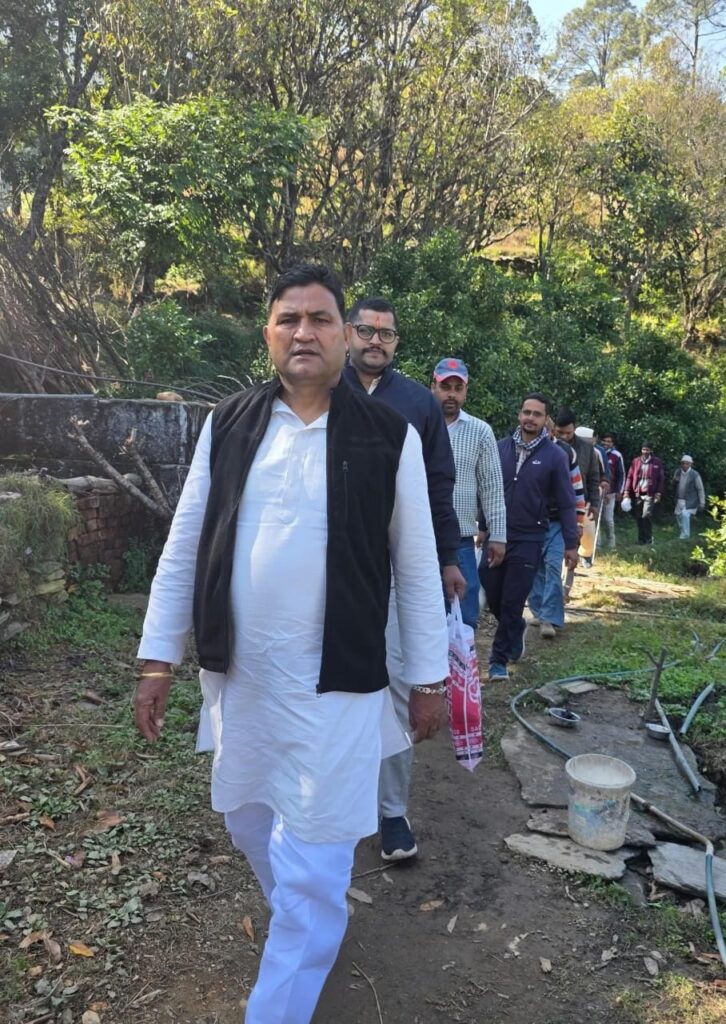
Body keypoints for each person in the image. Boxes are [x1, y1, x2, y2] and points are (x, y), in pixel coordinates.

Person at [133, 264, 449, 1024]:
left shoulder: (390, 435)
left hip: (338, 683)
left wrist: (429, 677)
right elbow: (185, 545)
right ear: (268, 333)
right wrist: (157, 658)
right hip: (243, 676)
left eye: (320, 319)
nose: (304, 332)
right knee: (248, 817)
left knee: (315, 848)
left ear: (345, 335)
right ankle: (307, 917)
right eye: (288, 319)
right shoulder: (230, 424)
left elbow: (415, 563)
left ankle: (286, 979)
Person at [342, 296, 465, 862]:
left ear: (396, 343)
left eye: (386, 334)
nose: (375, 341)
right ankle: (335, 802)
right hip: (327, 570)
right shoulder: (321, 391)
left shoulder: (417, 404)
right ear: (347, 334)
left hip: (394, 570)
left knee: (396, 688)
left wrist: (448, 558)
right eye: (366, 330)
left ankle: (391, 812)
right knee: (328, 689)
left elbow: (438, 487)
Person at [480, 393, 579, 681]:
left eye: (537, 414)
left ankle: (498, 661)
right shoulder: (500, 448)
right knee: (491, 590)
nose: (530, 418)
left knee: (512, 600)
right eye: (526, 412)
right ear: (519, 414)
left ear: (546, 420)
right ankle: (515, 628)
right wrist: (483, 525)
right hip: (497, 535)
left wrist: (571, 544)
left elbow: (567, 502)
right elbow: (488, 488)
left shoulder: (555, 456)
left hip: (530, 536)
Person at [429, 357, 506, 629]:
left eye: (457, 388)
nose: (451, 394)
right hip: (418, 536)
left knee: (464, 614)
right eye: (445, 386)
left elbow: (492, 487)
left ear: (466, 390)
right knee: (420, 612)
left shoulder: (480, 432)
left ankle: (461, 657)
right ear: (433, 386)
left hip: (460, 539)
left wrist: (498, 536)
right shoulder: (415, 424)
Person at [529, 417, 586, 639]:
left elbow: (577, 489)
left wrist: (578, 521)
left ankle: (549, 618)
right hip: (531, 521)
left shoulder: (566, 453)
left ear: (552, 431)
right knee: (534, 567)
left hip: (558, 521)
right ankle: (538, 610)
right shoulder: (525, 450)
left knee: (553, 566)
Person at [624, 442, 664, 546]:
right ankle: (641, 539)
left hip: (650, 493)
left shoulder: (657, 462)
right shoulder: (636, 461)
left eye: (647, 450)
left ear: (651, 451)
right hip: (638, 493)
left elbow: (660, 479)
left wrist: (658, 493)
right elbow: (629, 477)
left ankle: (649, 539)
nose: (645, 452)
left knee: (646, 515)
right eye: (643, 449)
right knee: (639, 517)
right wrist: (626, 492)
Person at [599, 433, 625, 550]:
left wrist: (619, 491)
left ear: (612, 443)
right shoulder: (597, 452)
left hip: (611, 492)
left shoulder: (616, 455)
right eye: (604, 441)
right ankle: (597, 544)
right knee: (596, 518)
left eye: (609, 441)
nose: (606, 443)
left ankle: (611, 542)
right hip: (597, 491)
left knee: (608, 518)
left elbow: (621, 474)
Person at [672, 455, 705, 539]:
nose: (685, 465)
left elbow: (700, 489)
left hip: (691, 500)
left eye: (687, 463)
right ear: (681, 464)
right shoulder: (678, 472)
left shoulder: (695, 474)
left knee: (685, 514)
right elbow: (673, 485)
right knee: (678, 516)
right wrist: (674, 481)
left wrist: (702, 503)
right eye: (683, 463)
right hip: (679, 499)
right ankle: (683, 532)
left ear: (691, 464)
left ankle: (685, 535)